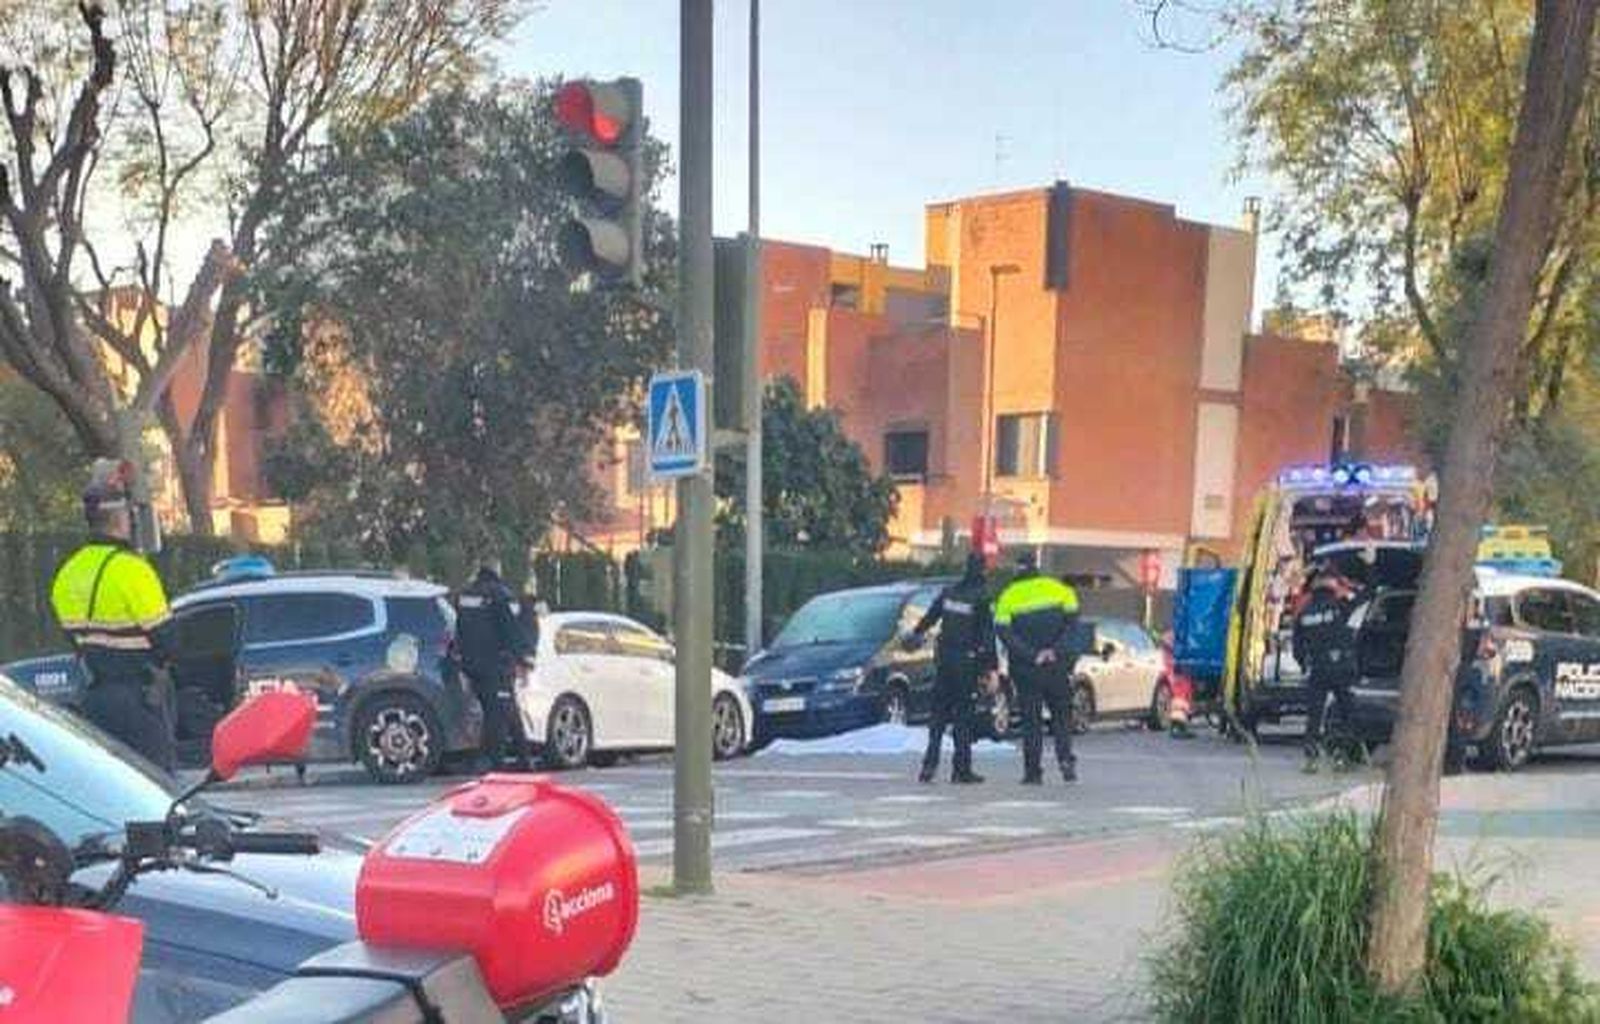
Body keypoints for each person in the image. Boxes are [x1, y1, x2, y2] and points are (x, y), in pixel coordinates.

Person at [50, 459, 178, 770]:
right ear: (122, 518)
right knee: (157, 790)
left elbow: (72, 637)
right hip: (140, 703)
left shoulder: (67, 573)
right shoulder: (134, 571)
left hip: (95, 702)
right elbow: (170, 642)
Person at [995, 552, 1085, 784]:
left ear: (1017, 571)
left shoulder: (1008, 596)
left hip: (1027, 669)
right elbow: (1073, 625)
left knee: (1031, 721)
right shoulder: (1059, 589)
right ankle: (1065, 760)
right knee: (1061, 716)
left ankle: (1033, 772)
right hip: (1057, 666)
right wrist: (1055, 650)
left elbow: (1004, 634)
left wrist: (1032, 654)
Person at [907, 552, 997, 784]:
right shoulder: (982, 597)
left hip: (944, 660)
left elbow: (930, 617)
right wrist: (991, 669)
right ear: (983, 571)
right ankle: (961, 769)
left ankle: (929, 765)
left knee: (938, 715)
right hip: (966, 663)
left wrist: (916, 633)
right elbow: (988, 636)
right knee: (963, 717)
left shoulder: (950, 592)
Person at [455, 560, 536, 771]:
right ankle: (495, 762)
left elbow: (459, 629)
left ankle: (523, 759)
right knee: (499, 713)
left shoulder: (465, 595)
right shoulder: (501, 595)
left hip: (470, 664)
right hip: (495, 665)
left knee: (503, 709)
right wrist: (524, 659)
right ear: (497, 570)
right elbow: (510, 630)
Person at [1292, 565, 1361, 773]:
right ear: (1333, 588)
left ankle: (1311, 759)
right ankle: (1341, 757)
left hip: (1318, 669)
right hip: (1342, 668)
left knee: (1314, 715)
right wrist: (1368, 566)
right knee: (1346, 714)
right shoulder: (1340, 606)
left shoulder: (1304, 614)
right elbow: (1368, 594)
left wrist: (1305, 664)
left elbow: (1297, 648)